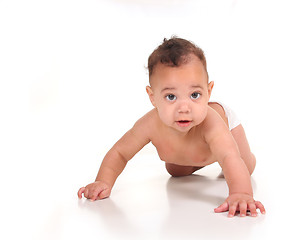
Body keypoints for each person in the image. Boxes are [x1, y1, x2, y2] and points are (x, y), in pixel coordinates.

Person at [78, 37, 266, 218]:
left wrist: (241, 193)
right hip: (194, 149)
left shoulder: (213, 122)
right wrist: (102, 180)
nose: (184, 108)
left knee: (243, 166)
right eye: (171, 97)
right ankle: (196, 158)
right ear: (152, 97)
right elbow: (120, 152)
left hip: (226, 131)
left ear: (208, 92)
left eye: (194, 95)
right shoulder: (149, 124)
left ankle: (242, 162)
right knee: (176, 172)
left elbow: (228, 156)